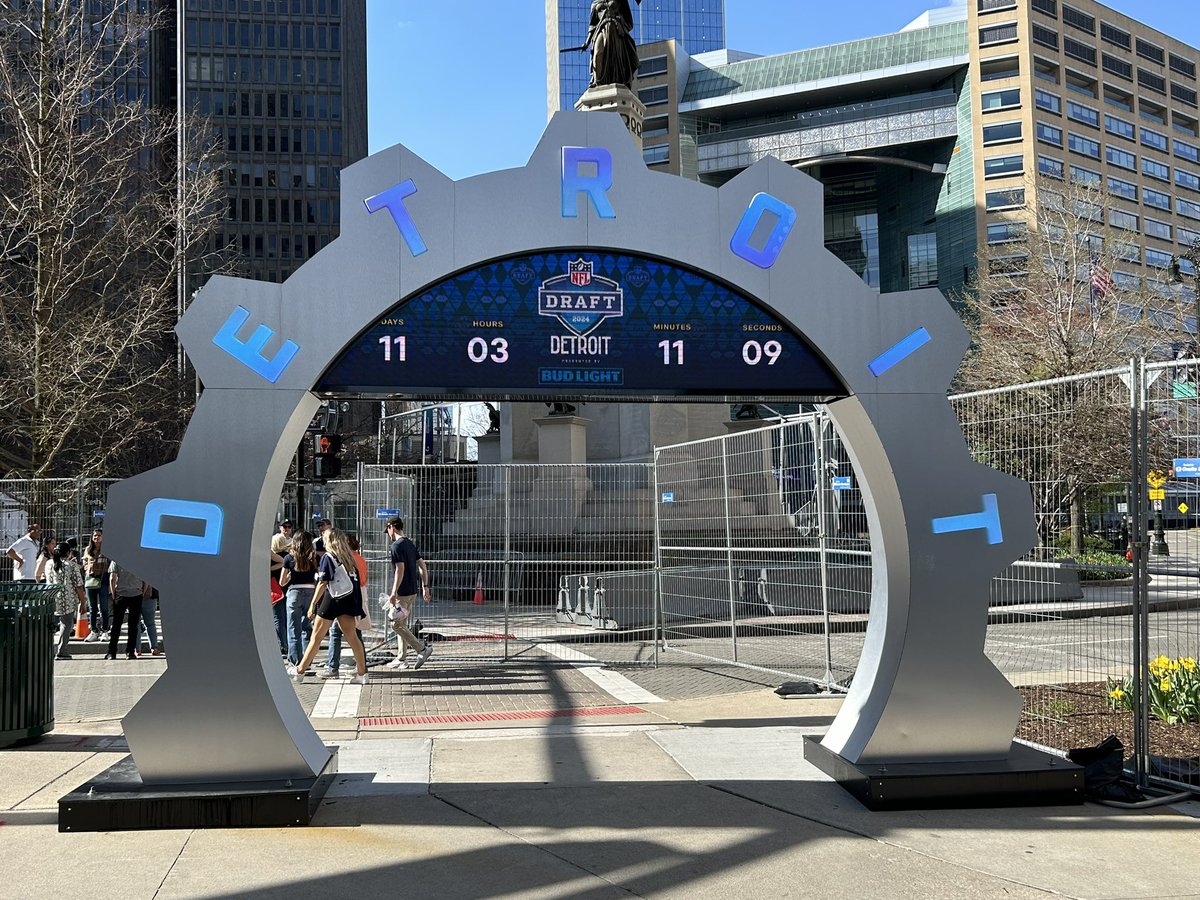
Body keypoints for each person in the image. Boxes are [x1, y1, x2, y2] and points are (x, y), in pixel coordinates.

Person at [289, 528, 368, 685]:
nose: (322, 539)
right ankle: (362, 673)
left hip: (332, 599)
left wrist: (312, 605)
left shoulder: (328, 557)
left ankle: (300, 671)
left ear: (330, 540)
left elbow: (323, 583)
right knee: (352, 638)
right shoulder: (349, 558)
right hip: (348, 598)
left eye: (324, 537)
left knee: (316, 637)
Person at [382, 516, 433, 671]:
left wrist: (393, 592)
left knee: (395, 624)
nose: (388, 534)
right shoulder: (410, 543)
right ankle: (401, 658)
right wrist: (425, 586)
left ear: (392, 527)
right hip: (412, 591)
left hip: (402, 593)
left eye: (388, 530)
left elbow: (400, 569)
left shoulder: (396, 546)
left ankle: (422, 649)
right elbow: (423, 566)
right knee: (402, 624)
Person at [322, 533, 368, 678]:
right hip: (357, 595)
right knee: (355, 634)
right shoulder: (359, 559)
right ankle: (361, 667)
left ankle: (333, 667)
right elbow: (362, 579)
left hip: (342, 597)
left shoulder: (343, 558)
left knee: (336, 634)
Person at [279, 529, 317, 666]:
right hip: (310, 592)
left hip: (294, 592)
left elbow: (282, 582)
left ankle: (295, 661)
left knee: (293, 628)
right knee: (307, 627)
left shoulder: (289, 558)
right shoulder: (313, 558)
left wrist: (290, 576)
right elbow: (319, 576)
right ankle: (307, 661)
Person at [584, 0, 641, 90]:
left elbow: (629, 22)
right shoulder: (595, 4)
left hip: (616, 30)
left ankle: (619, 80)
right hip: (601, 29)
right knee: (598, 53)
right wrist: (586, 43)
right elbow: (592, 26)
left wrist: (619, 20)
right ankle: (597, 81)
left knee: (617, 58)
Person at [44, 540, 85, 660]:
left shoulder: (49, 563)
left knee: (50, 626)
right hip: (67, 600)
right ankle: (62, 650)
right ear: (68, 553)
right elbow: (78, 585)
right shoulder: (71, 566)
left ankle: (47, 650)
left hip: (51, 598)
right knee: (66, 625)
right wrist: (83, 602)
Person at [106, 559, 150, 660]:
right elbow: (147, 578)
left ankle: (112, 652)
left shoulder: (116, 560)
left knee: (116, 625)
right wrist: (143, 590)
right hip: (136, 593)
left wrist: (113, 593)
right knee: (133, 625)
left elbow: (112, 578)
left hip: (121, 594)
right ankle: (130, 652)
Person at [82, 528, 110, 641]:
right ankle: (93, 630)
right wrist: (87, 569)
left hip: (103, 579)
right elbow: (84, 562)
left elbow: (111, 564)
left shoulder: (107, 549)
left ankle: (105, 631)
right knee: (92, 607)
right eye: (94, 536)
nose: (96, 537)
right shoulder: (88, 550)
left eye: (98, 535)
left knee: (104, 607)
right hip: (91, 579)